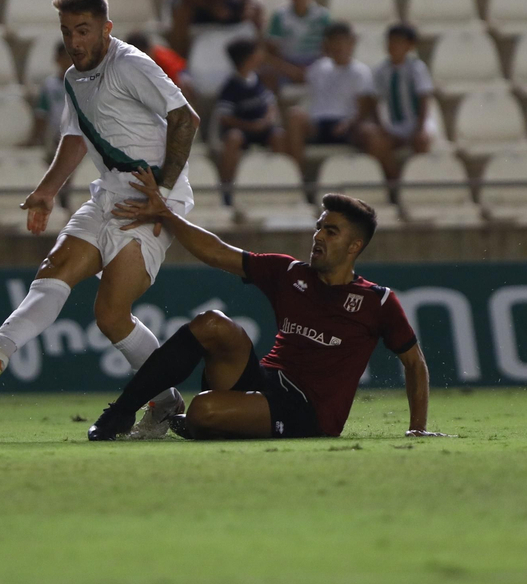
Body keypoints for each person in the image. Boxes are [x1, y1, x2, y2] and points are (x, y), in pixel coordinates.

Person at [0, 0, 201, 439]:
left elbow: (185, 118)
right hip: (108, 195)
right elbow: (76, 137)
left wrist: (164, 194)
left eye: (83, 31)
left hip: (152, 202)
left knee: (111, 315)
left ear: (106, 29)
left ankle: (167, 402)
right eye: (67, 32)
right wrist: (46, 190)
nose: (74, 42)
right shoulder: (74, 78)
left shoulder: (130, 64)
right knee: (54, 269)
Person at [90, 171, 449, 442]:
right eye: (319, 227)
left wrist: (417, 428)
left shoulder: (377, 300)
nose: (318, 235)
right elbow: (217, 252)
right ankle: (120, 413)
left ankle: (211, 422)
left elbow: (414, 363)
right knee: (212, 323)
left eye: (331, 231)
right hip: (266, 381)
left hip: (308, 411)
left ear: (354, 246)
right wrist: (166, 214)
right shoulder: (290, 272)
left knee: (204, 409)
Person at [285, 21, 394, 173]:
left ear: (351, 43)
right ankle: (297, 176)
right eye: (334, 41)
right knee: (294, 115)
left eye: (343, 42)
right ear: (327, 44)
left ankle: (373, 176)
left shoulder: (361, 72)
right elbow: (297, 76)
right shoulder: (318, 68)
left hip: (347, 125)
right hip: (318, 124)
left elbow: (364, 108)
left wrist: (348, 124)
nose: (339, 46)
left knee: (372, 135)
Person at [214, 38, 288, 194]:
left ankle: (283, 181)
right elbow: (225, 117)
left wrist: (266, 121)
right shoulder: (230, 86)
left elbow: (271, 105)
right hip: (242, 130)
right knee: (233, 138)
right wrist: (251, 126)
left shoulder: (259, 80)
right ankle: (226, 189)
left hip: (262, 129)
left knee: (279, 136)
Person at [364, 23, 436, 178]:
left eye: (398, 42)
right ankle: (395, 180)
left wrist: (419, 128)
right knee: (378, 144)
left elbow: (423, 99)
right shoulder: (381, 71)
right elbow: (374, 101)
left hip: (417, 122)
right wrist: (381, 127)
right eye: (390, 41)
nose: (393, 46)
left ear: (410, 46)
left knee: (422, 141)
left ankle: (418, 178)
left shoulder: (417, 68)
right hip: (395, 124)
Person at [263, 0, 331, 88]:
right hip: (287, 64)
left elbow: (328, 49)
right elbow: (271, 52)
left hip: (315, 64)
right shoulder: (280, 16)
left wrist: (311, 70)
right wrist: (291, 70)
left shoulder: (323, 16)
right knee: (267, 73)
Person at [33, 40, 74, 150]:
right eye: (65, 57)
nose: (69, 61)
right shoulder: (49, 86)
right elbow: (41, 115)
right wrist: (36, 138)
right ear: (57, 59)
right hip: (55, 136)